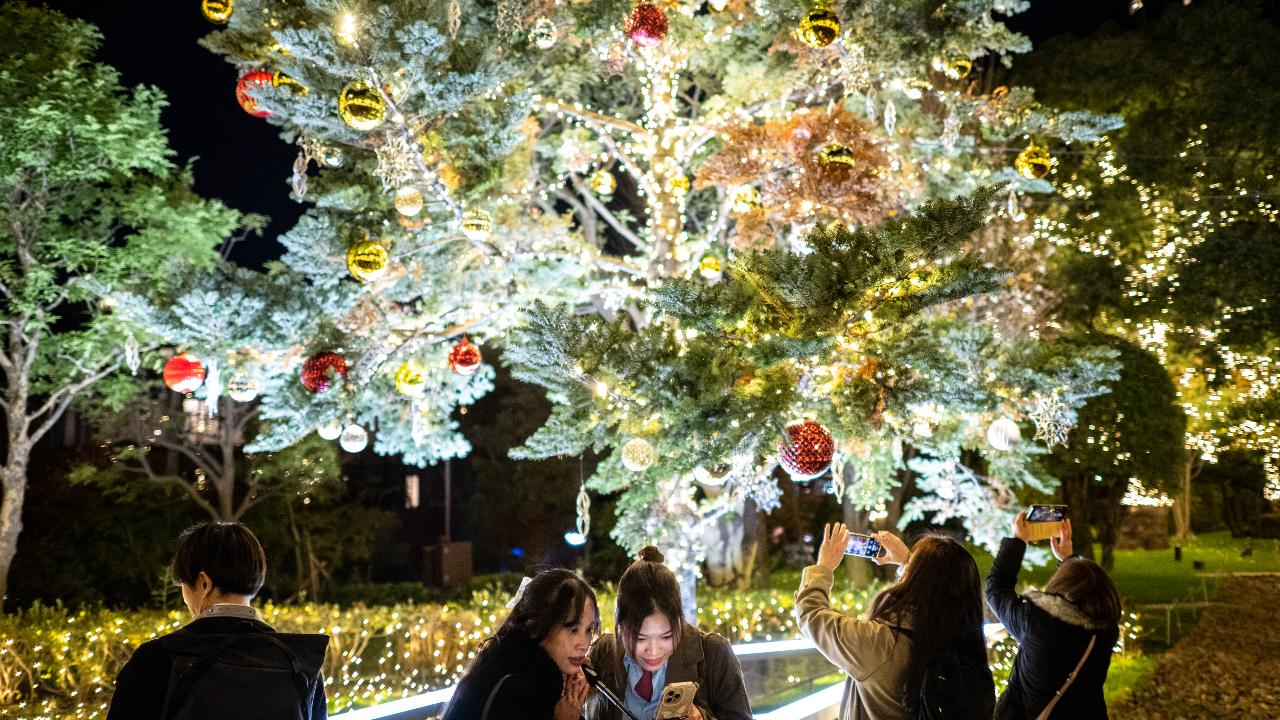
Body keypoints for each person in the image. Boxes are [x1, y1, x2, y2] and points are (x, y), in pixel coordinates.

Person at [107, 521, 329, 720]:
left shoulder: (158, 659)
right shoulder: (301, 663)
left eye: (184, 586)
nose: (185, 600)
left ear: (204, 583)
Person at [796, 523, 993, 720]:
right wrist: (909, 563)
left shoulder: (881, 643)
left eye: (910, 568)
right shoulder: (965, 647)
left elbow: (810, 615)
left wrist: (824, 566)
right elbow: (936, 590)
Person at [585, 546, 751, 720]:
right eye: (640, 638)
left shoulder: (714, 653)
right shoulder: (602, 654)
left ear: (679, 621)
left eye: (666, 636)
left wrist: (703, 718)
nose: (654, 651)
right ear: (620, 626)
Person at [987, 511, 1122, 720]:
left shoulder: (1037, 624)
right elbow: (1080, 600)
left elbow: (996, 590)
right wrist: (1068, 560)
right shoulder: (1107, 632)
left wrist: (1018, 540)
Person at [443, 568, 598, 720]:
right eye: (573, 629)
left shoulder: (511, 661)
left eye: (589, 629)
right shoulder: (516, 690)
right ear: (535, 624)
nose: (584, 644)